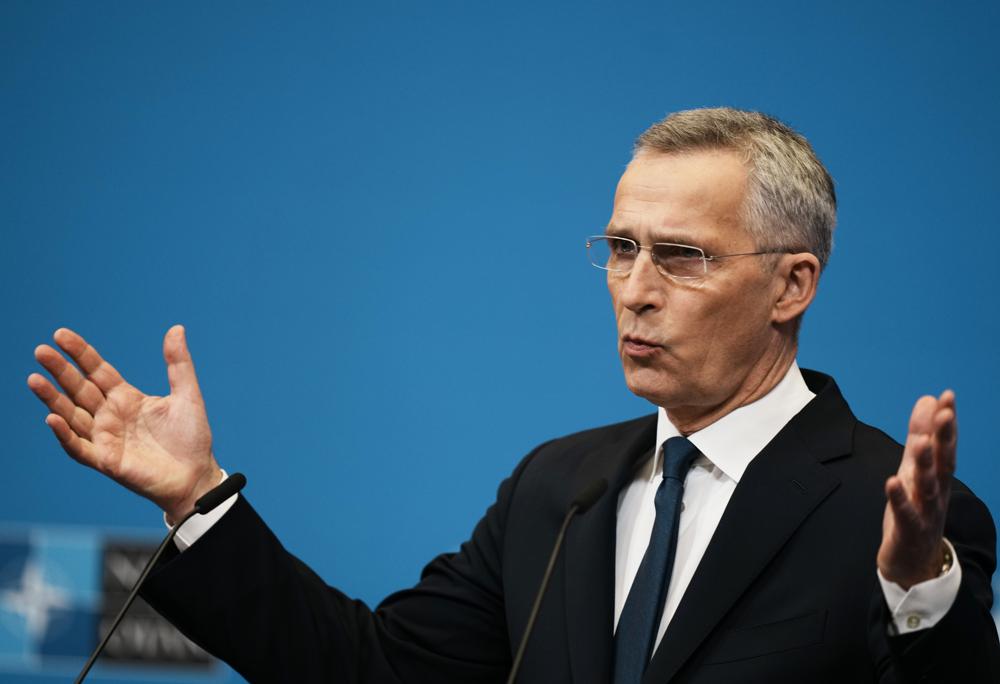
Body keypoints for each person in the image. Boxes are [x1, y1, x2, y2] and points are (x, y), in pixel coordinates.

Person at [28, 108, 999, 683]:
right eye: (620, 249)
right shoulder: (559, 487)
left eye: (681, 257)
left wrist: (916, 587)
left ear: (792, 284)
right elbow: (376, 672)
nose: (635, 289)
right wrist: (196, 502)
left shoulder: (902, 516)